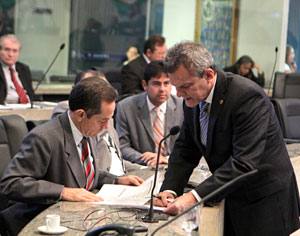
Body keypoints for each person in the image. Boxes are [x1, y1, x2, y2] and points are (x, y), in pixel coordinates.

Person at [154, 42, 300, 236]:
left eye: (185, 86)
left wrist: (193, 197)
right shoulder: (192, 99)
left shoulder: (246, 97)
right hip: (232, 198)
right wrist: (170, 189)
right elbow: (186, 149)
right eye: (176, 88)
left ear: (208, 75)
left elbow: (244, 163)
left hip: (265, 203)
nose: (179, 94)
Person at [0, 77, 143, 235]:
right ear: (81, 115)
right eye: (103, 120)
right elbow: (11, 183)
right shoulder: (45, 137)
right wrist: (63, 191)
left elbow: (83, 172)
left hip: (80, 218)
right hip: (40, 223)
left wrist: (115, 179)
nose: (106, 127)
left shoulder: (89, 130)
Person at [52, 69, 140, 176]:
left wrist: (144, 168)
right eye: (94, 89)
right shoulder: (68, 110)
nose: (101, 93)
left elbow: (115, 158)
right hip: (99, 182)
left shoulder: (106, 114)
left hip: (119, 177)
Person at [116, 61, 183, 166]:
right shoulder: (125, 107)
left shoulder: (183, 106)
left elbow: (190, 146)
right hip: (141, 168)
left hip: (173, 166)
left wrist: (167, 159)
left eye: (166, 83)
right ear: (144, 85)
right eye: (156, 84)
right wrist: (147, 159)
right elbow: (122, 146)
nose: (162, 89)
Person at [0, 34, 34, 104]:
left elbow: (31, 94)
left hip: (25, 108)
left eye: (15, 51)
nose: (10, 54)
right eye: (7, 50)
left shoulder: (24, 69)